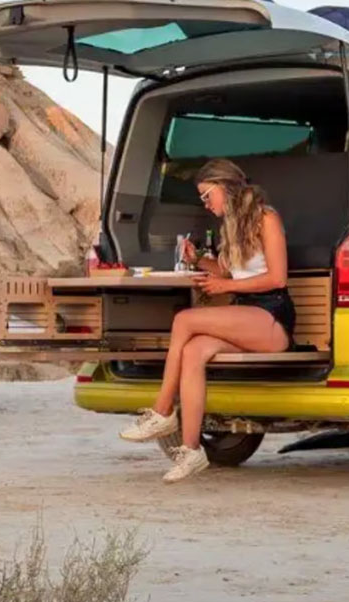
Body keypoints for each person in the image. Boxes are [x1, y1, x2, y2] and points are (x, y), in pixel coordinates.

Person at [118, 158, 296, 482]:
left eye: (206, 195)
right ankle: (191, 450)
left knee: (184, 321)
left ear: (225, 187)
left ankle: (161, 411)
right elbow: (228, 272)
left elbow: (277, 278)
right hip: (246, 314)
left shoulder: (266, 218)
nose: (205, 204)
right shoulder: (233, 225)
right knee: (193, 350)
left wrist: (226, 287)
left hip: (271, 316)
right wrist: (199, 259)